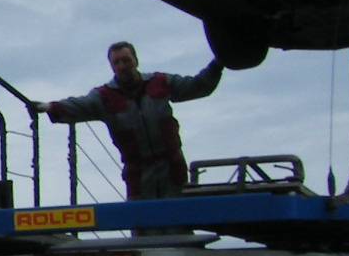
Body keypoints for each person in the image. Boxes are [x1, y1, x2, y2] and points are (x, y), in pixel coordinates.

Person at [43, 40, 225, 199]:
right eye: (117, 62)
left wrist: (218, 63)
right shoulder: (104, 97)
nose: (122, 66)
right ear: (112, 67)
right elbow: (78, 106)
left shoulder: (160, 83)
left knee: (178, 222)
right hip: (138, 175)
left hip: (172, 170)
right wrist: (49, 107)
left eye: (126, 60)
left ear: (136, 61)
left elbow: (198, 86)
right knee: (143, 225)